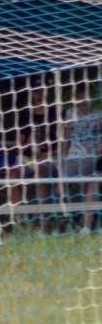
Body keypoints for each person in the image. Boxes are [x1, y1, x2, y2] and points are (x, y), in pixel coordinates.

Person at [54, 86, 102, 231]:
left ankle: (86, 227)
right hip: (74, 157)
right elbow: (66, 139)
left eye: (87, 97)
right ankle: (68, 219)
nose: (84, 100)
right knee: (59, 189)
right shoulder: (70, 113)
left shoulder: (99, 114)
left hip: (92, 157)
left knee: (92, 184)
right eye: (80, 97)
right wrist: (61, 159)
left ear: (92, 97)